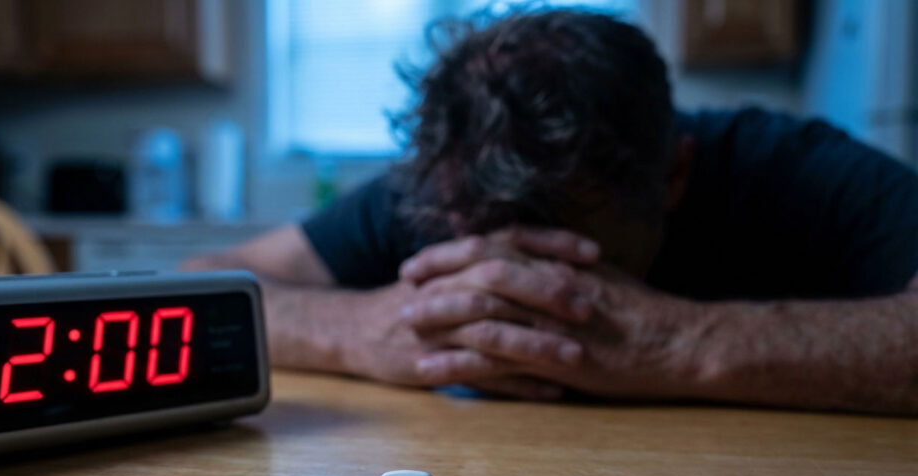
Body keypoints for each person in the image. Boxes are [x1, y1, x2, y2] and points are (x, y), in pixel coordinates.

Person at [185, 8, 918, 414]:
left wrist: (684, 344)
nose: (516, 290)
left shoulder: (787, 169)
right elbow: (208, 277)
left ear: (675, 174)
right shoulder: (435, 186)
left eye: (570, 260)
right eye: (483, 251)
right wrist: (362, 330)